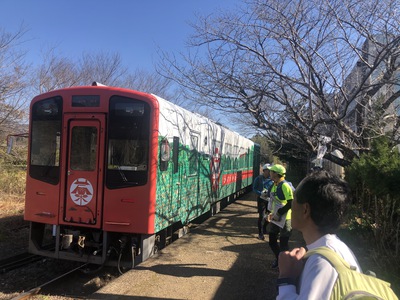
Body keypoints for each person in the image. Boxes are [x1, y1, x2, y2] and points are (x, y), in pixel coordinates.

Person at [277, 169, 362, 299]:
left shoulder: (322, 263)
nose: (291, 206)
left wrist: (286, 279)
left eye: (294, 200)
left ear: (305, 210)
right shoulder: (333, 249)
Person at [267, 164, 293, 268]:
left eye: (271, 172)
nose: (269, 173)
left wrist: (279, 213)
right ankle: (279, 259)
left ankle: (284, 265)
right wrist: (271, 212)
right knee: (272, 241)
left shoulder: (285, 185)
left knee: (283, 244)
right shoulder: (274, 184)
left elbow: (291, 202)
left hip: (285, 219)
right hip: (275, 218)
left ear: (276, 174)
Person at [252, 163, 274, 240]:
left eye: (270, 171)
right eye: (268, 171)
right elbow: (254, 188)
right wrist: (260, 193)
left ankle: (264, 227)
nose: (270, 173)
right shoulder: (258, 179)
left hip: (270, 200)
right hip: (261, 199)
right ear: (264, 171)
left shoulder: (272, 180)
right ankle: (260, 234)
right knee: (261, 216)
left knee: (270, 216)